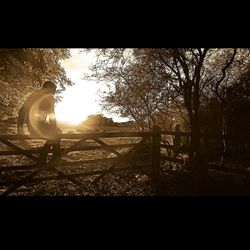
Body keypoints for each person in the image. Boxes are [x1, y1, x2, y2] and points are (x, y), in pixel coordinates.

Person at [17, 81, 61, 163]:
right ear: (48, 87)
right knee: (57, 136)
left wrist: (20, 129)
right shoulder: (49, 97)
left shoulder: (34, 95)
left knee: (56, 134)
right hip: (39, 126)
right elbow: (52, 114)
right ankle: (47, 158)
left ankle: (49, 159)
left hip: (32, 126)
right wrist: (54, 128)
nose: (55, 91)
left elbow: (23, 111)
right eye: (54, 89)